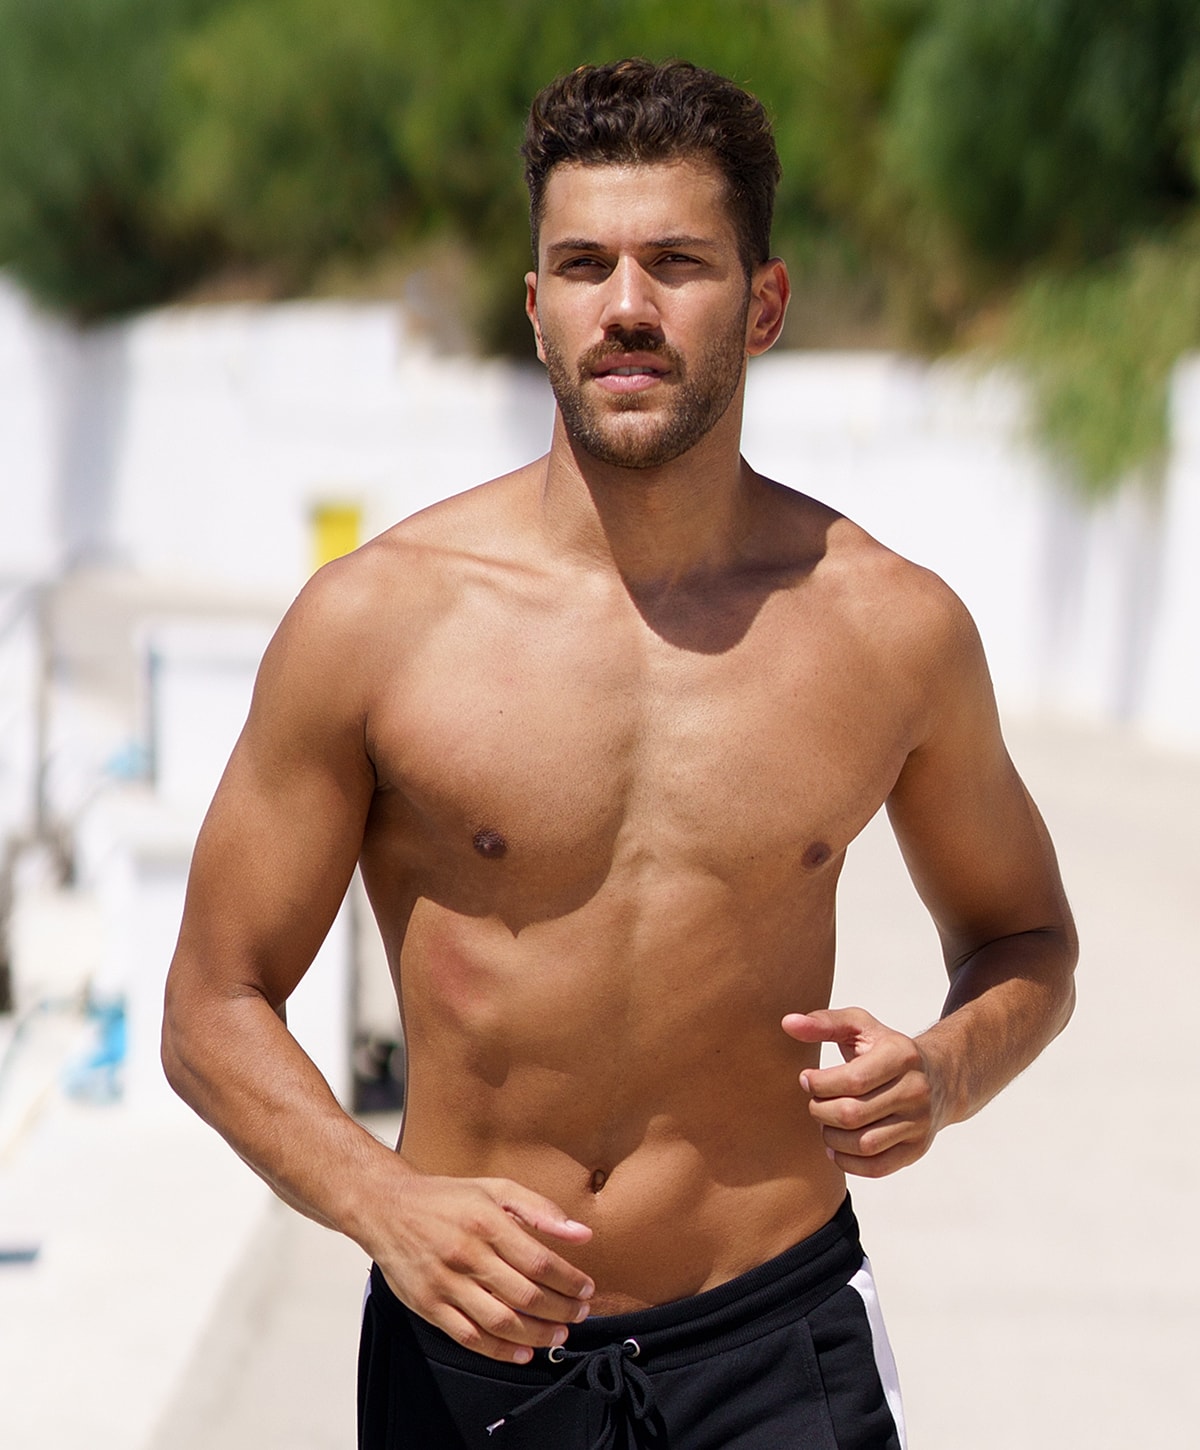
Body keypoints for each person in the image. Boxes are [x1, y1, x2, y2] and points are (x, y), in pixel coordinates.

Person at [161, 58, 1077, 1450]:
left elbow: (1029, 936)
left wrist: (945, 1070)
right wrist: (383, 1201)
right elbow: (211, 1003)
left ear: (763, 303)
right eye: (584, 264)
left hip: (780, 1337)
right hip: (472, 1352)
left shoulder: (892, 630)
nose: (628, 308)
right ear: (537, 309)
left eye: (678, 263)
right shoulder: (378, 623)